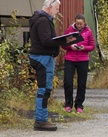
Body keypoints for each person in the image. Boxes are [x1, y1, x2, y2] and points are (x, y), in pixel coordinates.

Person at [29, 0, 74, 131]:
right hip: (42, 58)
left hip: (44, 57)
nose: (58, 11)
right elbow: (46, 41)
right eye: (57, 8)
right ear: (49, 6)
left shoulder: (43, 19)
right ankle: (40, 120)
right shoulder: (42, 20)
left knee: (46, 89)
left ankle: (41, 118)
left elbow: (47, 39)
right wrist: (64, 40)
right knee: (43, 90)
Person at [61, 14, 95, 113]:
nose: (79, 25)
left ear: (84, 23)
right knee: (67, 81)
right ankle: (68, 104)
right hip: (70, 59)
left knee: (81, 83)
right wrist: (70, 47)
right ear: (74, 22)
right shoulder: (70, 30)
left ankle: (79, 104)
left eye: (81, 24)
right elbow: (63, 44)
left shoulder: (88, 32)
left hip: (83, 59)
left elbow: (92, 46)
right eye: (77, 23)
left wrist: (84, 48)